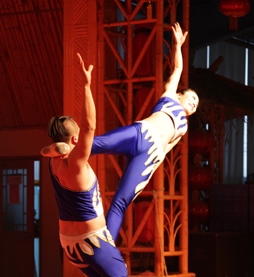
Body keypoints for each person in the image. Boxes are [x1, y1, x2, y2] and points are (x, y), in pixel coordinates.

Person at [42, 22, 198, 241]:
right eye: (192, 98)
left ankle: (107, 245)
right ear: (180, 94)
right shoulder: (170, 95)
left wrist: (149, 169)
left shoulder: (184, 127)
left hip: (150, 155)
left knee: (120, 202)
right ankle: (59, 150)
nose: (194, 103)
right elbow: (178, 69)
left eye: (196, 105)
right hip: (140, 133)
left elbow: (167, 150)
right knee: (93, 144)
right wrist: (178, 46)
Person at [47, 53, 140, 277]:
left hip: (68, 243)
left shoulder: (53, 162)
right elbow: (89, 125)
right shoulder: (75, 162)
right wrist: (87, 85)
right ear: (74, 140)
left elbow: (62, 142)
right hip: (92, 240)